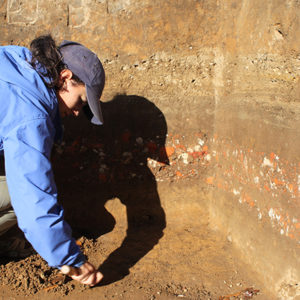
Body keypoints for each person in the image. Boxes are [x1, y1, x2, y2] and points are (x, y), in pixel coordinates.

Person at [0, 35, 104, 286]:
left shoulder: (17, 61)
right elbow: (32, 198)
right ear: (66, 77)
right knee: (18, 195)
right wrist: (71, 260)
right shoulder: (30, 113)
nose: (78, 111)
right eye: (80, 100)